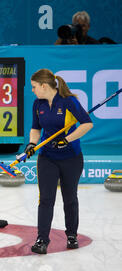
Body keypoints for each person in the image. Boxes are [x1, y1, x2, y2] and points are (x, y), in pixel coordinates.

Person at [24, 69, 93, 254]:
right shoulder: (38, 104)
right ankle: (42, 240)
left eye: (34, 87)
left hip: (71, 157)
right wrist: (31, 143)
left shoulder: (69, 101)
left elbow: (87, 123)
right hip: (47, 157)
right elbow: (35, 128)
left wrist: (67, 139)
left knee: (70, 198)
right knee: (46, 199)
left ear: (44, 86)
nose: (33, 90)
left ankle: (72, 235)